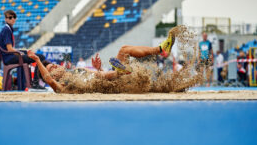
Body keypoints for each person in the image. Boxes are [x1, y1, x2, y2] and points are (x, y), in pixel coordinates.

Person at [26, 26, 178, 93]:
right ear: (51, 76)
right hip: (114, 84)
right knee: (117, 62)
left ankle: (160, 50)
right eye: (52, 68)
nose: (56, 66)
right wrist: (38, 61)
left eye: (54, 65)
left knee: (124, 49)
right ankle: (122, 72)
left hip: (112, 77)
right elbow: (48, 79)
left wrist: (98, 68)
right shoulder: (61, 87)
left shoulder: (74, 72)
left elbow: (100, 76)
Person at [0, 10, 45, 89]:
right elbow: (9, 49)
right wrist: (19, 52)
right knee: (40, 57)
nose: (12, 19)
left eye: (14, 17)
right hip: (9, 58)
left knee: (30, 53)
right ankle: (35, 83)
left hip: (10, 56)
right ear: (6, 19)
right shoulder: (6, 30)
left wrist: (24, 51)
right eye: (10, 17)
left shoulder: (8, 29)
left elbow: (10, 49)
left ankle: (34, 83)